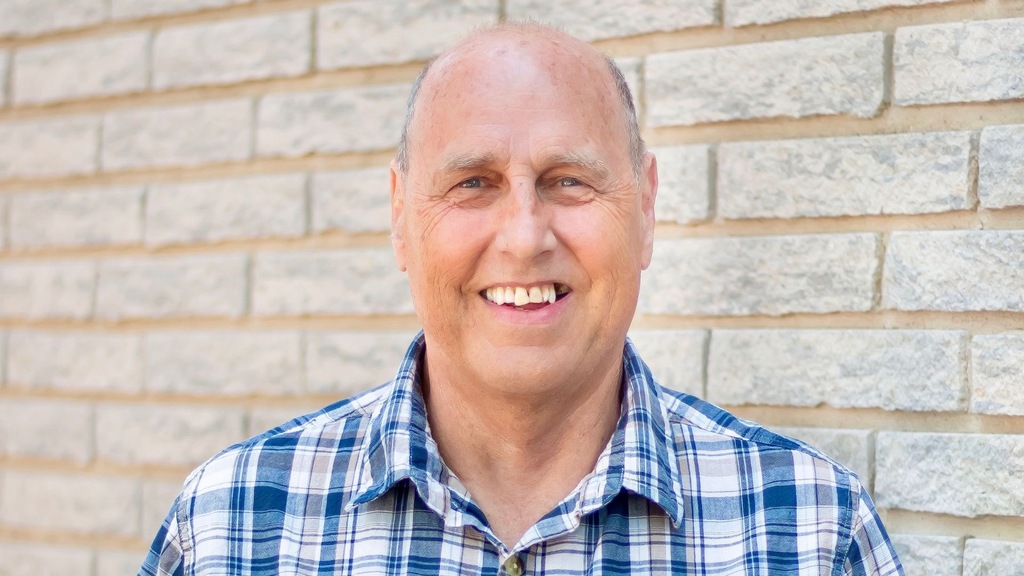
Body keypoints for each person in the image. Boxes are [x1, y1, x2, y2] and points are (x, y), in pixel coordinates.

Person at [139, 23, 904, 575]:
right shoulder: (233, 529)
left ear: (645, 209)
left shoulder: (809, 531)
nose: (525, 236)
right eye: (473, 183)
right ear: (401, 218)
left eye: (569, 181)